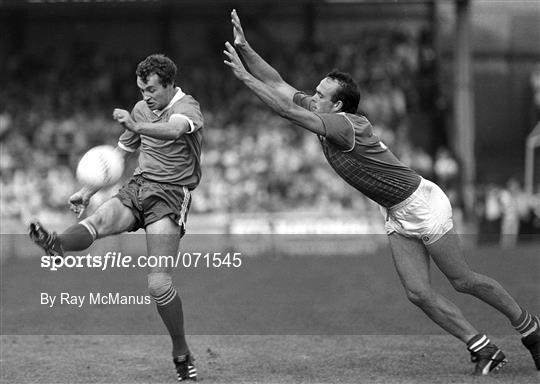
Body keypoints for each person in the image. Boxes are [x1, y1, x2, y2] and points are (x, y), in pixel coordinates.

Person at [223, 9, 539, 376]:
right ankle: (482, 347)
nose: (312, 96)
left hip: (422, 203)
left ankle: (530, 329)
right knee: (418, 293)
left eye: (320, 95)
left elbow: (283, 109)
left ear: (337, 105)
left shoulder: (343, 126)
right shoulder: (327, 112)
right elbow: (279, 84)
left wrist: (244, 77)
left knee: (463, 280)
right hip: (395, 210)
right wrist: (247, 49)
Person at [29, 54, 202, 382]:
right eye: (140, 90)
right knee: (96, 221)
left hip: (170, 195)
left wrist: (138, 125)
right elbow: (120, 153)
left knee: (159, 284)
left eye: (150, 89)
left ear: (169, 84)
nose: (145, 96)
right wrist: (88, 190)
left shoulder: (187, 107)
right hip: (138, 185)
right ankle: (56, 243)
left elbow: (175, 131)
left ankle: (181, 351)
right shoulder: (139, 110)